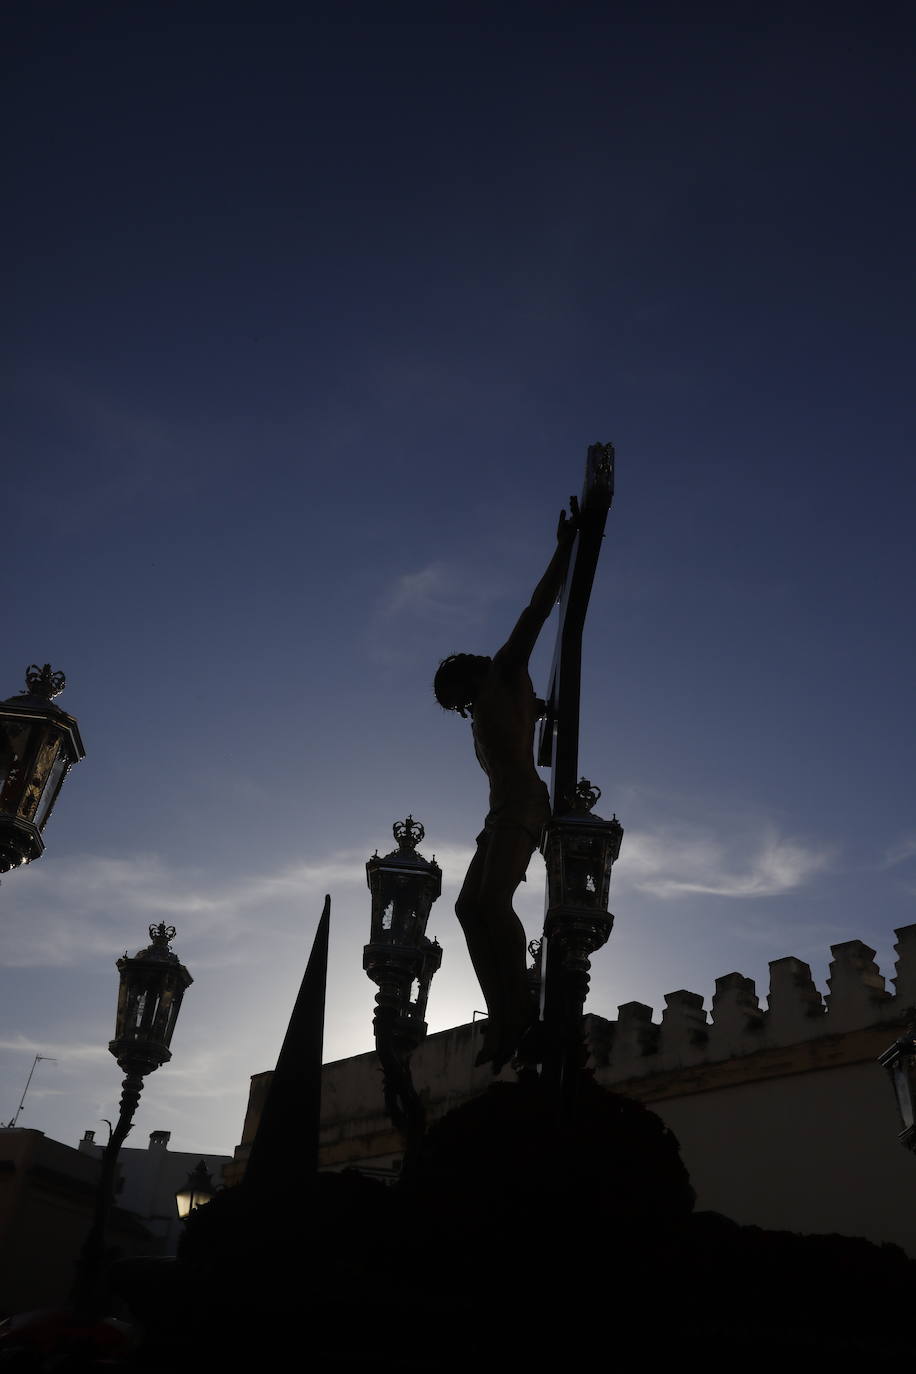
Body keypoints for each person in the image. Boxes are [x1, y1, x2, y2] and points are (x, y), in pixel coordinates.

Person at [433, 505, 578, 1071]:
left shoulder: (505, 669)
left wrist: (563, 547)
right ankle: (502, 1011)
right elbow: (525, 717)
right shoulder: (488, 707)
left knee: (493, 901)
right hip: (497, 814)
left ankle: (518, 1004)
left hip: (523, 804)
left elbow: (536, 609)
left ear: (468, 674)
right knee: (469, 909)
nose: (462, 707)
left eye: (457, 696)